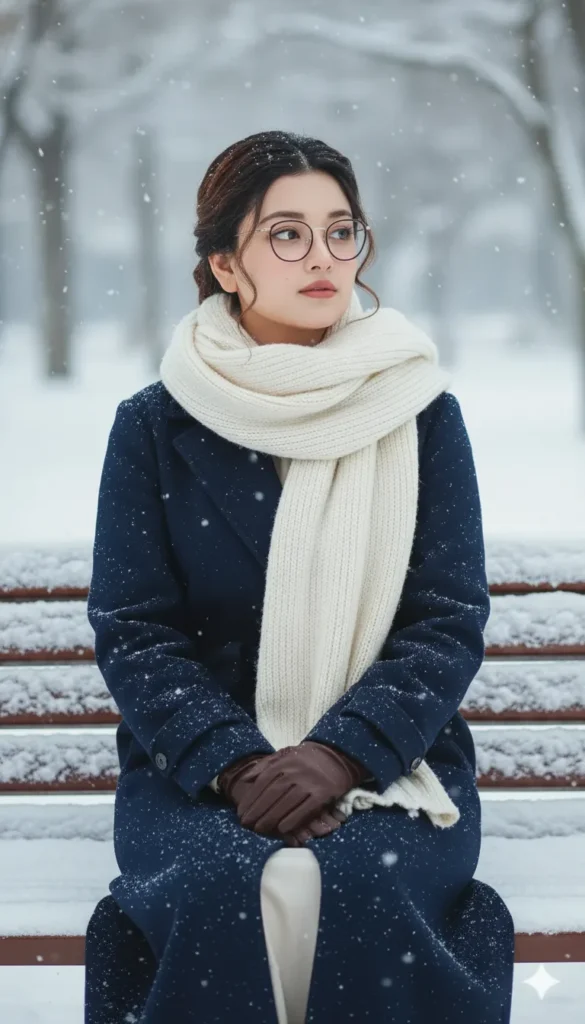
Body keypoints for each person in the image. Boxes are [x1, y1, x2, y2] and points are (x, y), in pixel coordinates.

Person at [84, 129, 515, 1024]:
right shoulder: (154, 425)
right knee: (217, 887)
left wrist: (341, 751)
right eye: (285, 233)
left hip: (396, 767)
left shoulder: (421, 414)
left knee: (363, 884)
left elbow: (444, 617)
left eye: (341, 231)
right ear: (224, 264)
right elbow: (135, 626)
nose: (323, 257)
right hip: (196, 776)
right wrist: (238, 763)